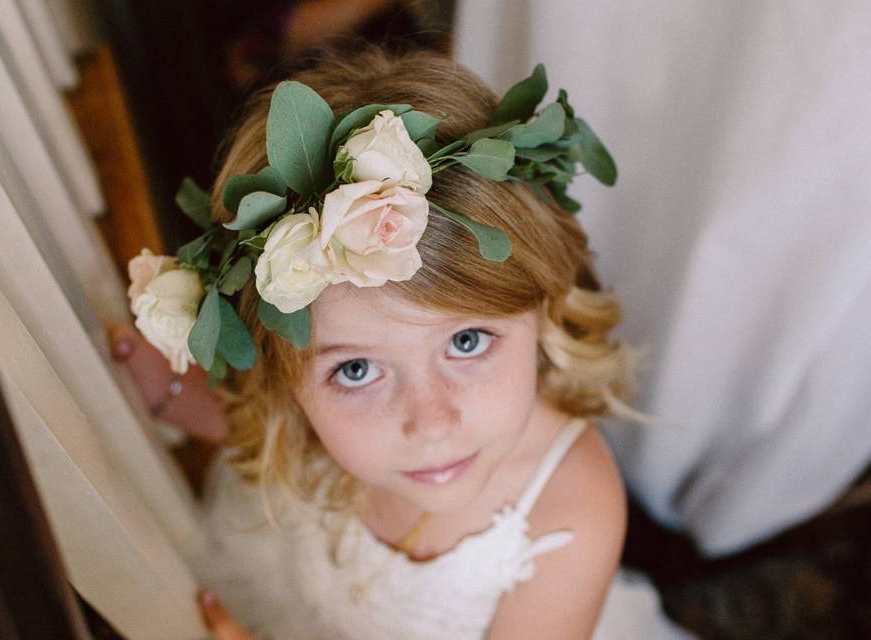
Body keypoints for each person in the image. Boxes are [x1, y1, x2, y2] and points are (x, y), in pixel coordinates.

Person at [120, 47, 693, 638]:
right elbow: (251, 425)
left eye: (468, 341)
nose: (431, 422)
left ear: (542, 311)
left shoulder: (573, 506)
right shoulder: (294, 409)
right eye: (358, 371)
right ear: (284, 378)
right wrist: (161, 391)